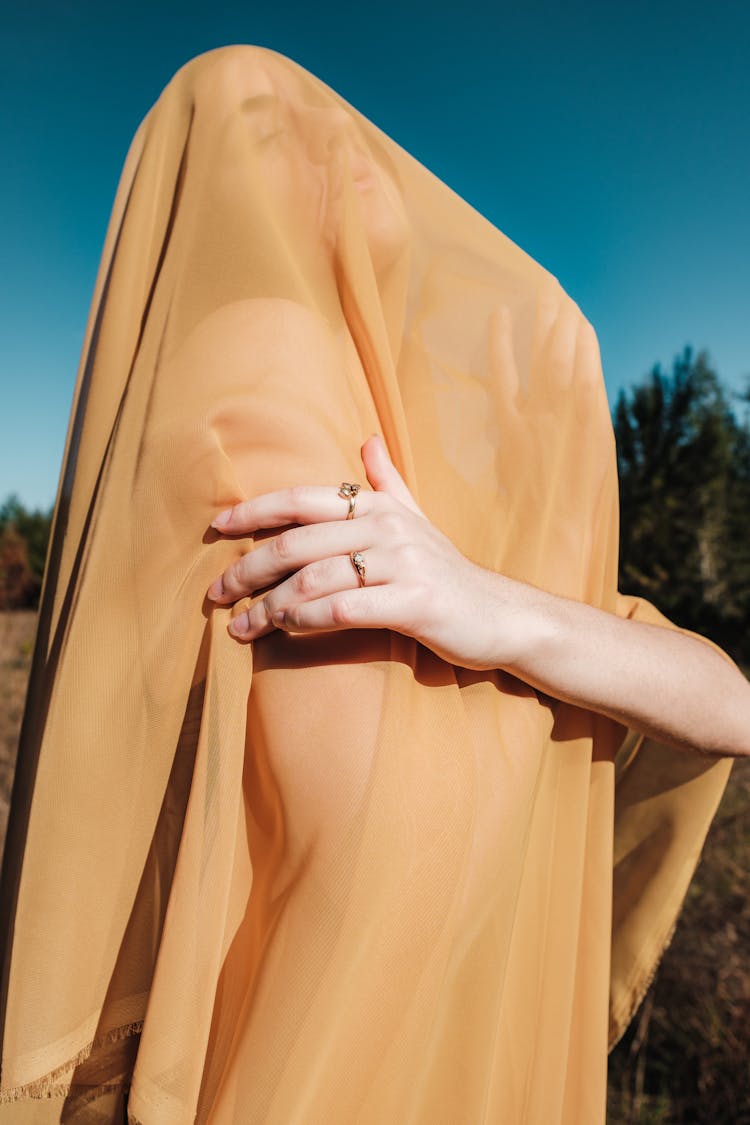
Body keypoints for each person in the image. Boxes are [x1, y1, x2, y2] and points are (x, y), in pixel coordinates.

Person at [0, 45, 747, 1125]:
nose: (339, 148)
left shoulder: (442, 511)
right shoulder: (245, 409)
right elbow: (371, 860)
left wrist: (498, 611)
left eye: (328, 125)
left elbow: (729, 702)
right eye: (264, 135)